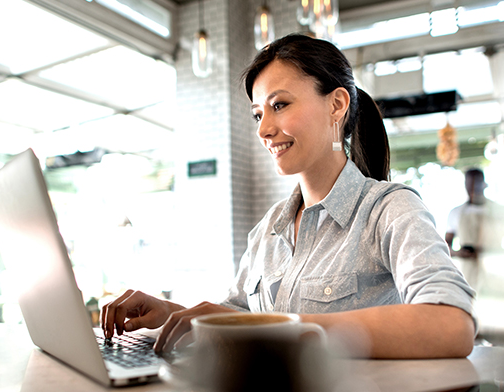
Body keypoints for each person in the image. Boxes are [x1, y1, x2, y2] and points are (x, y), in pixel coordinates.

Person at [102, 34, 476, 359]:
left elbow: (451, 325)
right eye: (257, 114)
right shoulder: (269, 229)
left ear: (336, 105)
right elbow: (239, 317)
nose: (264, 129)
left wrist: (283, 328)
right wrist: (170, 313)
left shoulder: (390, 209)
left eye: (279, 105)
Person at [446, 168, 504, 294]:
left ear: (484, 184)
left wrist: (489, 251)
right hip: (468, 274)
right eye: (469, 182)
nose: (472, 186)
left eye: (476, 182)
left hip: (496, 270)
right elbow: (445, 247)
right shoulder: (456, 213)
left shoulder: (499, 211)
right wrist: (459, 253)